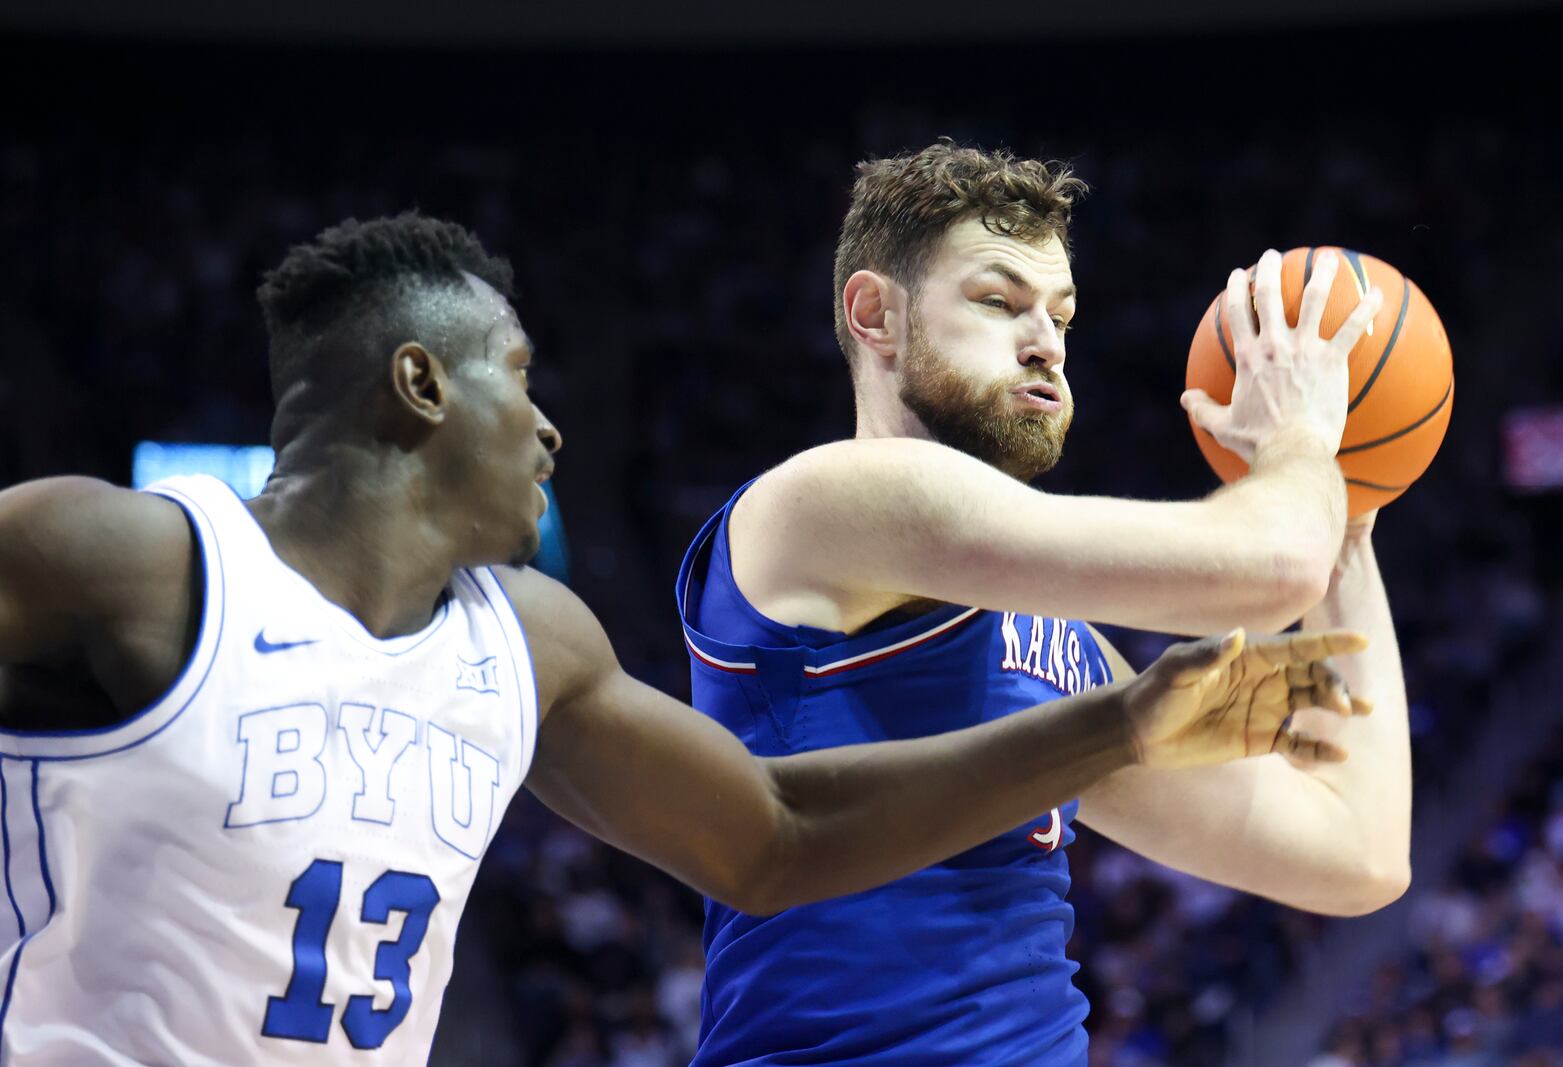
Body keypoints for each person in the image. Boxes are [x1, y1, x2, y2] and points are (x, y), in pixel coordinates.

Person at [0, 213, 1365, 1066]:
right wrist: (1306, 455)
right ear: (418, 384)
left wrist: (1120, 723)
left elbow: (773, 832)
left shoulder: (528, 644)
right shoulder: (121, 556)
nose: (551, 429)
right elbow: (1261, 562)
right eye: (522, 379)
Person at [674, 143, 1413, 1064]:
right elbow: (1270, 570)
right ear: (876, 316)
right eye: (998, 301)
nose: (1047, 343)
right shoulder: (825, 504)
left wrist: (1350, 509)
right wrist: (1301, 430)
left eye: (1062, 316)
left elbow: (1357, 855)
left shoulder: (1066, 658)